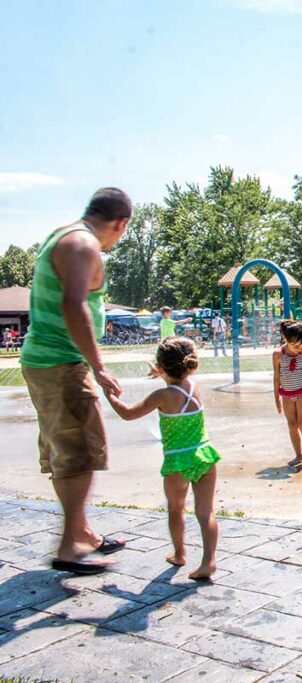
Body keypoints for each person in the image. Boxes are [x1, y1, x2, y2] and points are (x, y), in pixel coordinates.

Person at [20, 188, 132, 575]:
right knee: (81, 451)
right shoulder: (85, 245)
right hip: (62, 363)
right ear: (121, 223)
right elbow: (74, 303)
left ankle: (82, 531)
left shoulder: (62, 234)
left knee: (64, 450)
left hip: (44, 361)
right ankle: (70, 547)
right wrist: (98, 366)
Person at [104, 337, 219, 581]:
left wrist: (110, 396)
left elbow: (127, 413)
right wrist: (165, 371)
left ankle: (179, 554)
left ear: (162, 366)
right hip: (204, 455)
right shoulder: (193, 386)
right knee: (205, 512)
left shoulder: (163, 395)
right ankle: (209, 561)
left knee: (176, 509)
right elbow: (177, 376)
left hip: (177, 461)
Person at [274, 320, 302, 468]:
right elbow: (277, 377)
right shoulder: (278, 354)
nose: (300, 348)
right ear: (286, 340)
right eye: (296, 345)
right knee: (292, 425)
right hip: (286, 394)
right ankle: (298, 455)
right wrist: (276, 398)